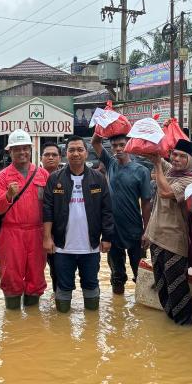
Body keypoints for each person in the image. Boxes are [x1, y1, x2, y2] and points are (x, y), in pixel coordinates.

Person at [43, 135, 114, 313]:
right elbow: (48, 210)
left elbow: (107, 211)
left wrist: (107, 237)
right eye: (72, 150)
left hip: (90, 247)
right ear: (66, 154)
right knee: (63, 289)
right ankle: (62, 333)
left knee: (91, 286)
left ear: (86, 153)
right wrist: (47, 238)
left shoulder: (98, 179)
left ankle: (91, 332)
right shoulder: (55, 179)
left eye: (80, 150)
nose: (76, 153)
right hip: (62, 247)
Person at [0, 130, 48, 309]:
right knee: (11, 276)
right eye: (17, 149)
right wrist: (7, 195)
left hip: (37, 232)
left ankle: (31, 324)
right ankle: (13, 323)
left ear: (30, 150)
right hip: (11, 233)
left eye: (25, 148)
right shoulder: (2, 177)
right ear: (10, 152)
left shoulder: (42, 174)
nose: (22, 152)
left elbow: (52, 206)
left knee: (36, 276)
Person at [143, 139, 192, 324]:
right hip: (156, 237)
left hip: (175, 241)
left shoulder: (190, 180)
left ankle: (184, 323)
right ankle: (171, 324)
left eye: (183, 156)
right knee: (161, 284)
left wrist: (158, 165)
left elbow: (165, 193)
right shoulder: (170, 171)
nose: (177, 159)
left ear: (190, 160)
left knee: (176, 285)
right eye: (174, 154)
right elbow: (153, 155)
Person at [92, 133, 153, 295]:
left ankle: (142, 312)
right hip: (112, 231)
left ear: (130, 146)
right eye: (114, 146)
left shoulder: (142, 171)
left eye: (122, 145)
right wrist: (105, 122)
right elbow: (95, 142)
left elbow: (146, 203)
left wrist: (147, 231)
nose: (118, 149)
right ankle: (117, 312)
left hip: (135, 230)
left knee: (141, 274)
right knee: (116, 276)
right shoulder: (110, 163)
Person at [41, 142, 62, 292]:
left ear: (60, 158)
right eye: (47, 155)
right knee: (34, 270)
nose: (50, 158)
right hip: (36, 232)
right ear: (41, 158)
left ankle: (59, 302)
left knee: (58, 271)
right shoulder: (33, 177)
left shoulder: (67, 178)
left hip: (60, 233)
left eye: (54, 155)